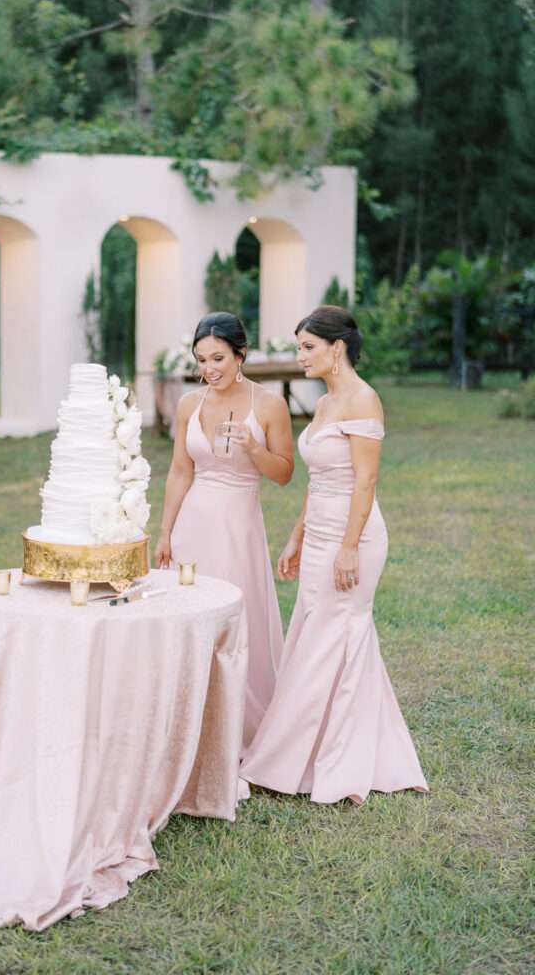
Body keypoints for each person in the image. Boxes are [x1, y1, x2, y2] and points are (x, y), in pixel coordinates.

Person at [240, 305, 428, 804]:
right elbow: (319, 479)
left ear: (336, 347)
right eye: (299, 347)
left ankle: (331, 760)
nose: (299, 356)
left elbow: (365, 480)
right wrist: (298, 537)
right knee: (313, 635)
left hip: (355, 537)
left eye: (308, 347)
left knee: (334, 636)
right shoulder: (324, 404)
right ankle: (312, 750)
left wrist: (348, 549)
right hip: (320, 533)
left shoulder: (364, 400)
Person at [154, 311, 294, 748]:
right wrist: (165, 534)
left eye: (218, 358)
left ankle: (238, 726)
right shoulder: (188, 405)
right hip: (193, 525)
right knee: (189, 618)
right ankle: (188, 724)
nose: (209, 369)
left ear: (241, 354)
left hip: (238, 526)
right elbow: (180, 470)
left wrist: (253, 447)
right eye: (201, 360)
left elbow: (285, 473)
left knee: (236, 619)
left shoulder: (268, 405)